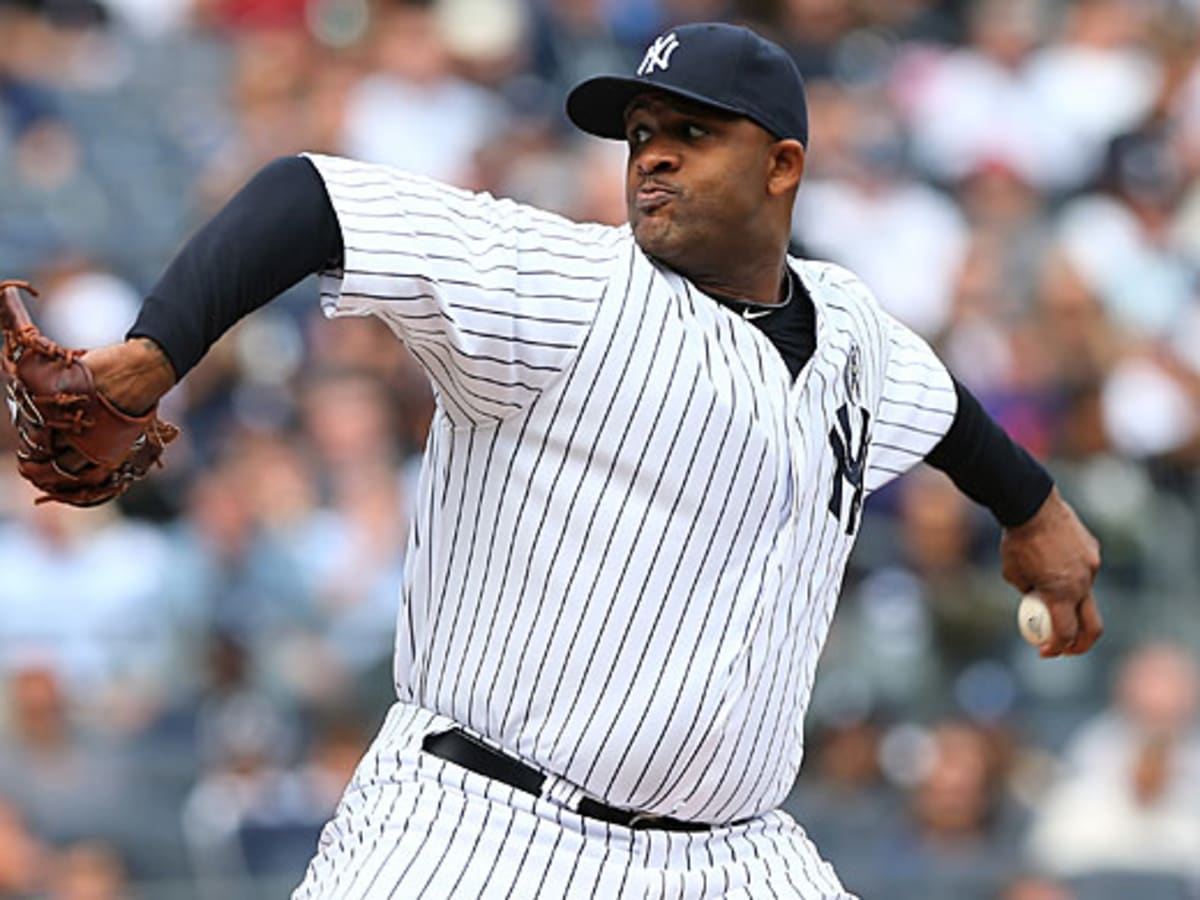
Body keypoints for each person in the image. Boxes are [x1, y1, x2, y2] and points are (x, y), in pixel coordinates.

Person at [36, 22, 1102, 899]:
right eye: (640, 133)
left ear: (783, 166)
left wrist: (1037, 513)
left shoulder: (853, 332)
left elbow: (943, 407)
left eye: (691, 130)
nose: (653, 154)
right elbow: (312, 198)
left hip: (732, 854)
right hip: (482, 831)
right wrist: (152, 355)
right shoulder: (566, 287)